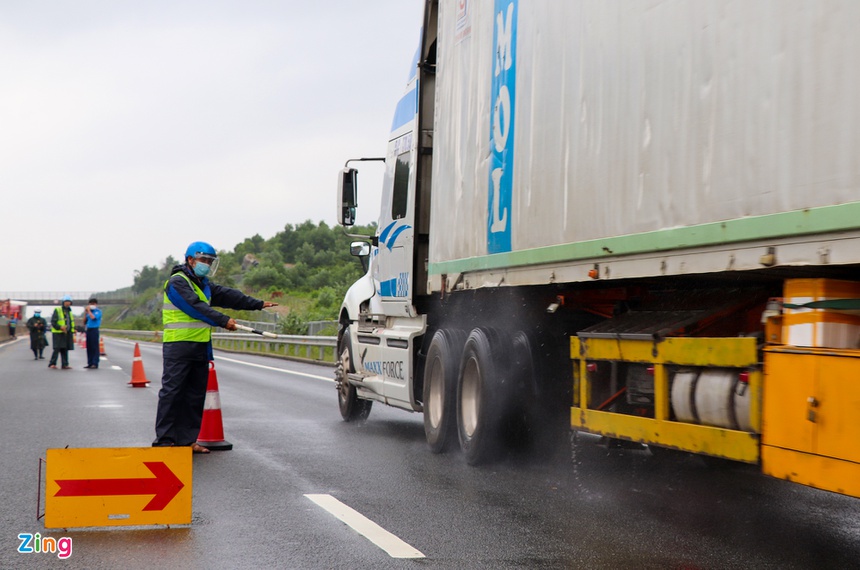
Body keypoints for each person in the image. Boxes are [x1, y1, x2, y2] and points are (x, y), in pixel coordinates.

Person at [154, 241, 278, 453]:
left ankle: (187, 441)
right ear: (190, 260)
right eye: (203, 260)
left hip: (200, 346)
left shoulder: (203, 284)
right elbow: (195, 307)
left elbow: (229, 295)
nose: (207, 264)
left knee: (195, 395)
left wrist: (256, 303)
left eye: (210, 261)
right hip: (178, 346)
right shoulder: (177, 283)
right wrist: (223, 320)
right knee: (173, 393)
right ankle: (165, 441)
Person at [49, 296, 75, 369]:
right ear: (63, 302)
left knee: (65, 349)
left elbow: (70, 322)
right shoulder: (58, 310)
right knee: (57, 348)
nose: (68, 303)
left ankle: (65, 364)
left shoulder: (69, 311)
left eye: (69, 301)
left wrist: (73, 329)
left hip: (66, 333)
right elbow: (53, 322)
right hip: (58, 332)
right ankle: (52, 363)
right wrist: (60, 327)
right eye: (66, 301)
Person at [83, 297, 102, 369]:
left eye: (93, 303)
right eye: (90, 304)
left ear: (96, 304)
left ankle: (95, 363)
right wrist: (85, 313)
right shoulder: (88, 312)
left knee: (94, 347)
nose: (91, 305)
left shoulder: (98, 311)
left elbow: (93, 318)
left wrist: (89, 312)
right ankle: (90, 362)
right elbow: (84, 321)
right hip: (88, 329)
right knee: (89, 347)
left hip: (94, 329)